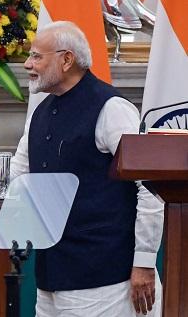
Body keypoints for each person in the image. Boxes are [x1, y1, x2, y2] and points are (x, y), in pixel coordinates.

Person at [10, 21, 164, 316]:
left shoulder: (112, 108)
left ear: (66, 60)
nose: (28, 64)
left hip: (105, 280)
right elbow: (17, 179)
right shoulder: (40, 112)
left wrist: (144, 263)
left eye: (37, 56)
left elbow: (150, 189)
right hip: (51, 279)